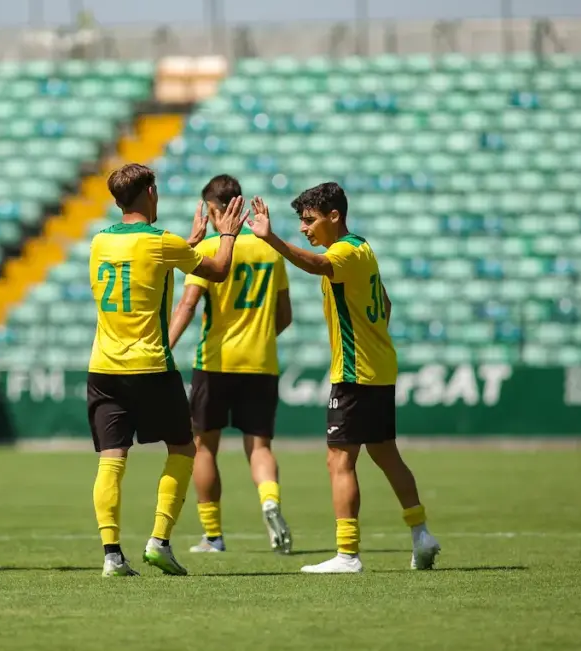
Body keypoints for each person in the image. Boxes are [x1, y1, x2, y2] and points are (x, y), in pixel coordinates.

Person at [247, 183, 441, 574]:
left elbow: (316, 265)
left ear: (334, 216)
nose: (303, 228)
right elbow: (385, 303)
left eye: (309, 220)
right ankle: (421, 534)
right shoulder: (363, 249)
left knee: (339, 459)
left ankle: (347, 554)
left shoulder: (344, 252)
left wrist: (272, 239)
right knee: (385, 454)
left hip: (354, 374)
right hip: (378, 369)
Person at [87, 163, 247, 577]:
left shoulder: (99, 241)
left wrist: (187, 245)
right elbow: (218, 270)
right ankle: (159, 541)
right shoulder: (162, 242)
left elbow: (145, 263)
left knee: (111, 459)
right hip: (150, 365)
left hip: (103, 367)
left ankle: (111, 556)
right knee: (183, 449)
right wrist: (227, 235)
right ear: (150, 193)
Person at [167, 175, 293, 555]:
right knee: (260, 447)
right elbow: (285, 316)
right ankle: (269, 501)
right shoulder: (270, 249)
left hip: (216, 360)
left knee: (204, 447)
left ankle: (213, 536)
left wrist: (164, 346)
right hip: (261, 362)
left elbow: (188, 304)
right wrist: (258, 337)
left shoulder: (209, 247)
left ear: (214, 209)